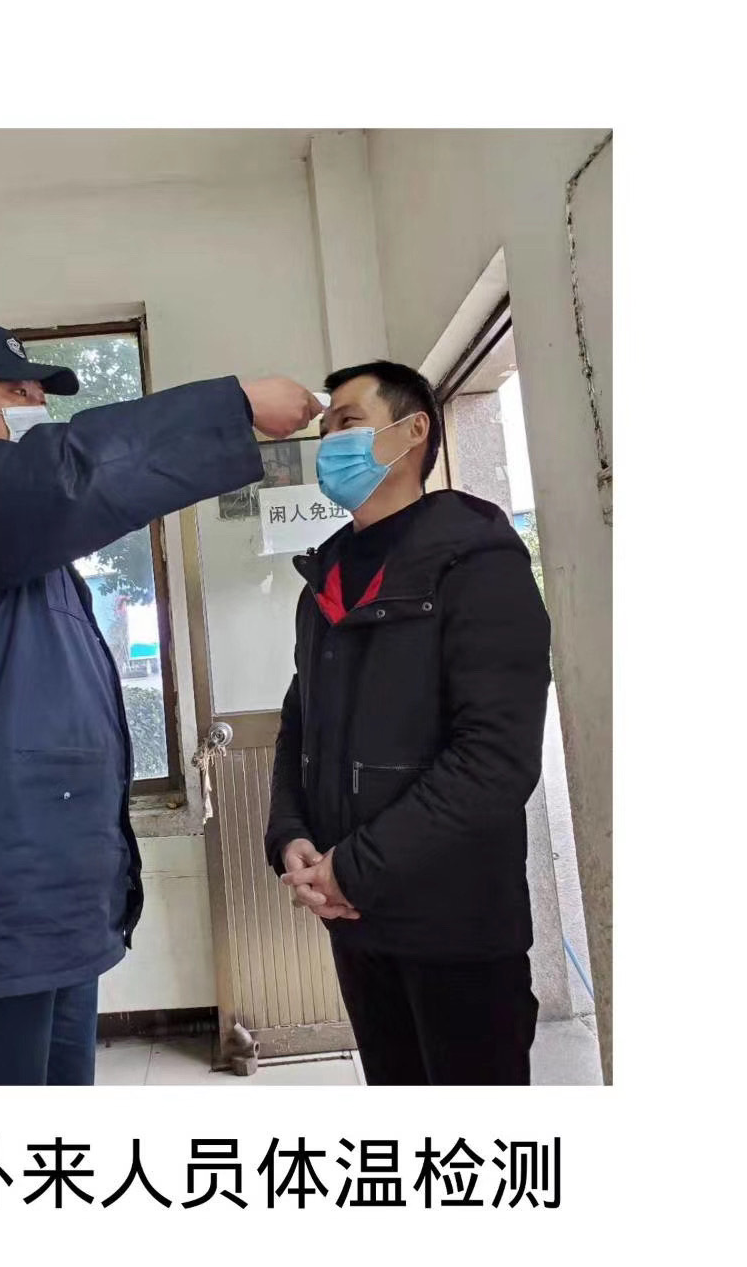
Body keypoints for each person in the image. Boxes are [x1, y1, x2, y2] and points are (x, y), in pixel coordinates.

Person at [0, 323, 321, 1085]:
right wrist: (233, 408)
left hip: (52, 910)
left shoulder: (19, 545)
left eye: (39, 392)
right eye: (15, 392)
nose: (35, 406)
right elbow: (69, 475)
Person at [264, 360, 551, 1085]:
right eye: (324, 431)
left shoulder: (477, 564)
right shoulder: (324, 579)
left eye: (348, 423)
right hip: (357, 925)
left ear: (412, 430)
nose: (331, 444)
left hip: (456, 926)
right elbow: (301, 722)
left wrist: (354, 869)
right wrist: (291, 835)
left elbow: (495, 760)